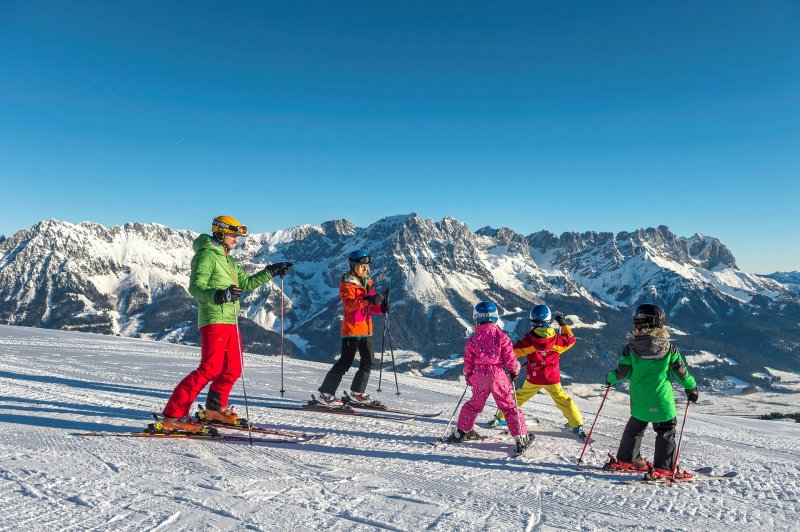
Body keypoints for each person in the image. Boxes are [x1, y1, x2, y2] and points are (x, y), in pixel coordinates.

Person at [159, 215, 292, 432]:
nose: (236, 240)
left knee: (233, 367)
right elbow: (195, 287)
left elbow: (247, 283)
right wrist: (219, 295)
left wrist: (271, 271)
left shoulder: (228, 260)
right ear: (220, 233)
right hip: (214, 318)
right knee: (209, 368)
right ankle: (172, 416)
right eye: (233, 235)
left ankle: (214, 409)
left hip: (231, 320)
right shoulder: (206, 256)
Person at [604, 303, 699, 480]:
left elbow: (622, 372)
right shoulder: (669, 348)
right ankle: (664, 468)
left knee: (634, 428)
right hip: (662, 401)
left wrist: (610, 379)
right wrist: (691, 387)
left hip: (640, 400)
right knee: (665, 431)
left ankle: (627, 459)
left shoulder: (631, 348)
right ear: (659, 323)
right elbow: (681, 372)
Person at [494, 304, 586, 440]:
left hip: (533, 378)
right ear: (549, 321)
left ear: (532, 321)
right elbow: (571, 339)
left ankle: (502, 417)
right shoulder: (558, 341)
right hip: (552, 378)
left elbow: (511, 353)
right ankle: (577, 425)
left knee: (520, 396)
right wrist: (563, 324)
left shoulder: (528, 341)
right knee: (563, 400)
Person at [450, 301, 530, 455]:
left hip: (479, 376)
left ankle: (463, 430)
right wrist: (515, 371)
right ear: (495, 317)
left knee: (474, 404)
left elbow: (468, 363)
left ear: (476, 318)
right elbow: (511, 359)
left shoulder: (473, 340)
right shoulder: (502, 337)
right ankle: (520, 436)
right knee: (509, 406)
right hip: (498, 375)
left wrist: (469, 376)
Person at [317, 249, 389, 406]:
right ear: (354, 266)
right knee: (345, 362)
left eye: (367, 266)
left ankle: (357, 393)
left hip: (367, 329)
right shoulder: (347, 282)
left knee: (368, 362)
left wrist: (381, 307)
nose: (365, 268)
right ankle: (325, 394)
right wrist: (369, 301)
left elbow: (371, 307)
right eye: (362, 266)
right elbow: (349, 305)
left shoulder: (369, 282)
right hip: (352, 329)